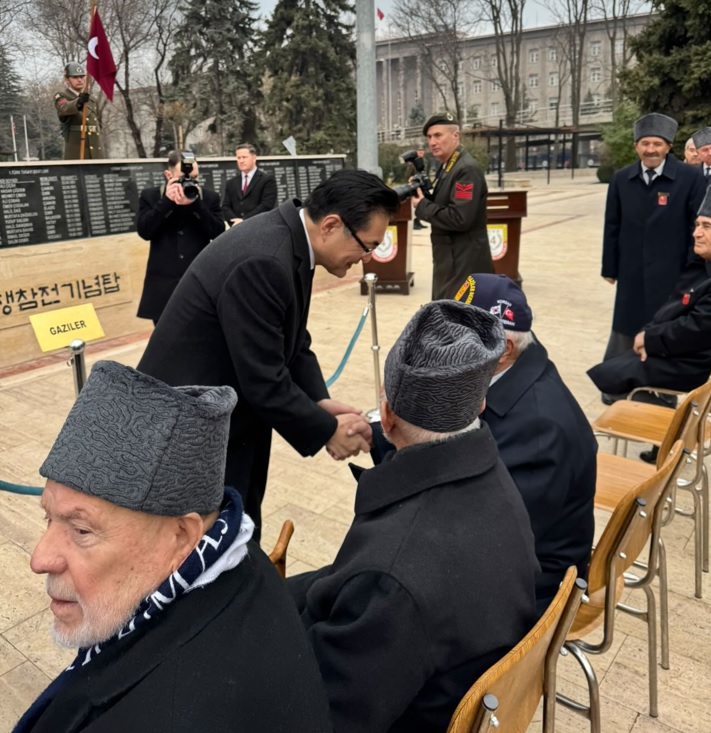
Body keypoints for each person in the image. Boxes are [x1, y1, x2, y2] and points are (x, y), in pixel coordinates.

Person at [13, 360, 331, 733]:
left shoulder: (166, 715)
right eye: (49, 518)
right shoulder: (231, 549)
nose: (39, 559)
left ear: (182, 536)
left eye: (81, 531)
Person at [287, 300, 539, 733]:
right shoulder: (493, 479)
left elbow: (324, 717)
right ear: (478, 404)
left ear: (386, 415)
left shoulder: (392, 572)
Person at [138, 169, 400, 541]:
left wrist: (319, 400)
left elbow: (292, 338)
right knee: (210, 544)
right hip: (191, 431)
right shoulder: (264, 259)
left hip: (231, 415)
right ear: (331, 225)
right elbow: (263, 377)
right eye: (367, 245)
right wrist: (326, 431)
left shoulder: (290, 240)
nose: (368, 258)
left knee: (240, 527)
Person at [453, 273, 596, 613]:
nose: (445, 343)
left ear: (503, 349)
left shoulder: (537, 430)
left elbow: (494, 541)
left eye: (458, 335)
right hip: (511, 563)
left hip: (531, 591)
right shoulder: (513, 375)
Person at [600, 112, 706, 402]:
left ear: (669, 146)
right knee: (625, 327)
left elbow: (695, 225)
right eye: (644, 143)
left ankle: (660, 394)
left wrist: (692, 272)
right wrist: (609, 266)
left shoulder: (691, 178)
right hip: (631, 271)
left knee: (663, 331)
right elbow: (613, 224)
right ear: (636, 146)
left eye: (657, 143)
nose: (650, 149)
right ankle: (618, 388)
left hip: (673, 275)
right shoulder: (622, 179)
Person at [589, 188, 711, 416]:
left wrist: (650, 339)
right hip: (674, 349)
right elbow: (670, 310)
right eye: (697, 225)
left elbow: (696, 328)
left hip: (692, 362)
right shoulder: (699, 267)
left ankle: (669, 424)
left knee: (609, 377)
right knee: (610, 371)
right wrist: (647, 333)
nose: (696, 233)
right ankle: (665, 431)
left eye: (707, 227)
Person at [136, 151, 224, 325]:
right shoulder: (151, 196)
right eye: (183, 178)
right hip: (163, 289)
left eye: (194, 178)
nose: (189, 182)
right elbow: (145, 231)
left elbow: (218, 232)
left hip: (199, 286)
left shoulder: (209, 198)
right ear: (168, 175)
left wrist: (196, 205)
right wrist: (166, 202)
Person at [412, 112, 493, 300]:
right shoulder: (449, 166)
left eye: (438, 135)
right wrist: (424, 195)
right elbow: (445, 203)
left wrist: (423, 206)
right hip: (451, 261)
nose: (432, 142)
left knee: (456, 323)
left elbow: (460, 218)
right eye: (429, 137)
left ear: (455, 136)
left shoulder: (465, 169)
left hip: (464, 264)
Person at [54, 62, 103, 160]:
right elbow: (64, 108)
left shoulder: (92, 100)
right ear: (67, 79)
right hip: (77, 152)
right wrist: (79, 102)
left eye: (82, 77)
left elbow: (98, 124)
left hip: (95, 152)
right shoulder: (62, 96)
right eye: (75, 77)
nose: (80, 80)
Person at [222, 143, 278, 226]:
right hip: (237, 229)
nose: (241, 161)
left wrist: (244, 220)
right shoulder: (231, 183)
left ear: (254, 158)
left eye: (244, 157)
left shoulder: (267, 180)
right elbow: (225, 206)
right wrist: (236, 222)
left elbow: (266, 205)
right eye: (238, 158)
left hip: (260, 226)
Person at [407, 144, 428, 230]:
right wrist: (411, 179)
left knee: (423, 203)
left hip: (423, 184)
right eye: (419, 151)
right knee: (418, 204)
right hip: (416, 185)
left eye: (422, 151)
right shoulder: (413, 163)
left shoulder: (424, 161)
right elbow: (408, 175)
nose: (421, 152)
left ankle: (418, 221)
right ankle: (416, 222)